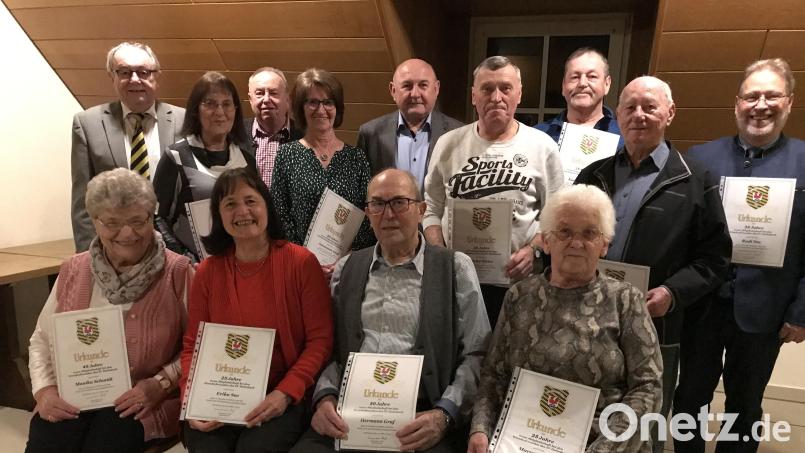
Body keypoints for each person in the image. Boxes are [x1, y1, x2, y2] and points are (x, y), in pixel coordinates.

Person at [574, 76, 732, 453]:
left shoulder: (696, 180)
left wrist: (672, 293)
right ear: (619, 115)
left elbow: (715, 258)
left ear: (670, 113)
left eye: (650, 107)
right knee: (590, 414)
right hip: (592, 319)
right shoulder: (592, 175)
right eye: (629, 107)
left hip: (656, 326)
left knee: (647, 425)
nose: (638, 115)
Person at [291, 168, 491, 453]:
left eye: (399, 202)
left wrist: (445, 414)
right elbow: (329, 348)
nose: (388, 214)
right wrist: (324, 397)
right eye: (377, 204)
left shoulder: (455, 268)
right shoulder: (346, 269)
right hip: (351, 413)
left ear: (421, 210)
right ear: (368, 212)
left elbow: (476, 354)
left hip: (423, 415)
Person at [468, 184, 662, 453]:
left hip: (601, 443)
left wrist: (604, 449)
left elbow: (647, 388)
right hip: (521, 442)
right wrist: (480, 430)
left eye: (589, 233)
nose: (577, 243)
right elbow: (493, 376)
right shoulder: (519, 296)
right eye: (565, 232)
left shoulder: (626, 300)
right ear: (546, 240)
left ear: (605, 244)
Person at [673, 58, 805, 453]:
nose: (760, 105)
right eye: (752, 96)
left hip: (767, 311)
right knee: (689, 399)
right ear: (737, 103)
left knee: (744, 406)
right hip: (703, 307)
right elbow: (683, 237)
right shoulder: (699, 159)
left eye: (771, 95)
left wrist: (801, 312)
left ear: (789, 103)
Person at [26, 168, 192, 453]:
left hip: (143, 400)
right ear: (95, 222)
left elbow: (198, 345)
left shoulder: (178, 270)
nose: (127, 233)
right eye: (112, 223)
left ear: (152, 217)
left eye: (137, 221)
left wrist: (160, 383)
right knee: (48, 439)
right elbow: (42, 338)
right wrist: (44, 391)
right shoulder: (73, 269)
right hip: (76, 393)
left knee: (107, 441)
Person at [180, 168, 333, 452]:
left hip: (284, 394)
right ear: (218, 215)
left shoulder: (301, 263)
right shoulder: (206, 272)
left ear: (266, 206)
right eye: (230, 204)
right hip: (219, 395)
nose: (242, 211)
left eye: (251, 201)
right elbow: (192, 346)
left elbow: (320, 342)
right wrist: (191, 397)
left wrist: (285, 393)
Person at [423, 55, 564, 327]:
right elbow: (431, 206)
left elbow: (555, 216)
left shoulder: (542, 146)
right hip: (457, 281)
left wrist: (534, 251)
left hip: (518, 282)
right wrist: (439, 252)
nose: (496, 97)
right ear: (474, 96)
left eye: (505, 88)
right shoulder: (448, 144)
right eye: (487, 89)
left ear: (519, 94)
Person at [71, 42, 185, 252]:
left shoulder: (184, 120)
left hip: (174, 246)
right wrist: (88, 258)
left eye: (143, 72)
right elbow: (82, 202)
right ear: (111, 76)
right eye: (124, 72)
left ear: (156, 75)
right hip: (116, 246)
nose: (134, 79)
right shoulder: (87, 124)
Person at [271, 68, 376, 275]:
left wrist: (348, 259)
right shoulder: (287, 155)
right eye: (312, 102)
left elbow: (369, 212)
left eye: (328, 102)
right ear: (301, 108)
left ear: (337, 107)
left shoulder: (356, 158)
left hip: (349, 268)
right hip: (299, 267)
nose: (321, 110)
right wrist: (303, 258)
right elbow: (279, 214)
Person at [153, 71, 257, 262]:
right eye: (210, 104)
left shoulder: (246, 161)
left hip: (242, 266)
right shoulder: (176, 158)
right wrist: (184, 260)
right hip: (194, 271)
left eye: (226, 104)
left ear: (235, 110)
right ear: (195, 110)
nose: (219, 112)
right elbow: (158, 218)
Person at [357, 58, 463, 188]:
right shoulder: (370, 134)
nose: (415, 94)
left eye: (423, 85)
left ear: (436, 89)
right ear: (393, 90)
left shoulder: (458, 133)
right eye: (407, 86)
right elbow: (363, 190)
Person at [534, 47, 623, 148]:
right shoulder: (538, 135)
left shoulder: (625, 136)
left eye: (592, 76)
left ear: (607, 84)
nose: (582, 83)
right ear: (563, 85)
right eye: (575, 77)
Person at [245, 67, 303, 188]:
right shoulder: (234, 134)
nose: (266, 99)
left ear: (287, 99)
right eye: (259, 93)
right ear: (250, 100)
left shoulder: (307, 136)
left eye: (273, 93)